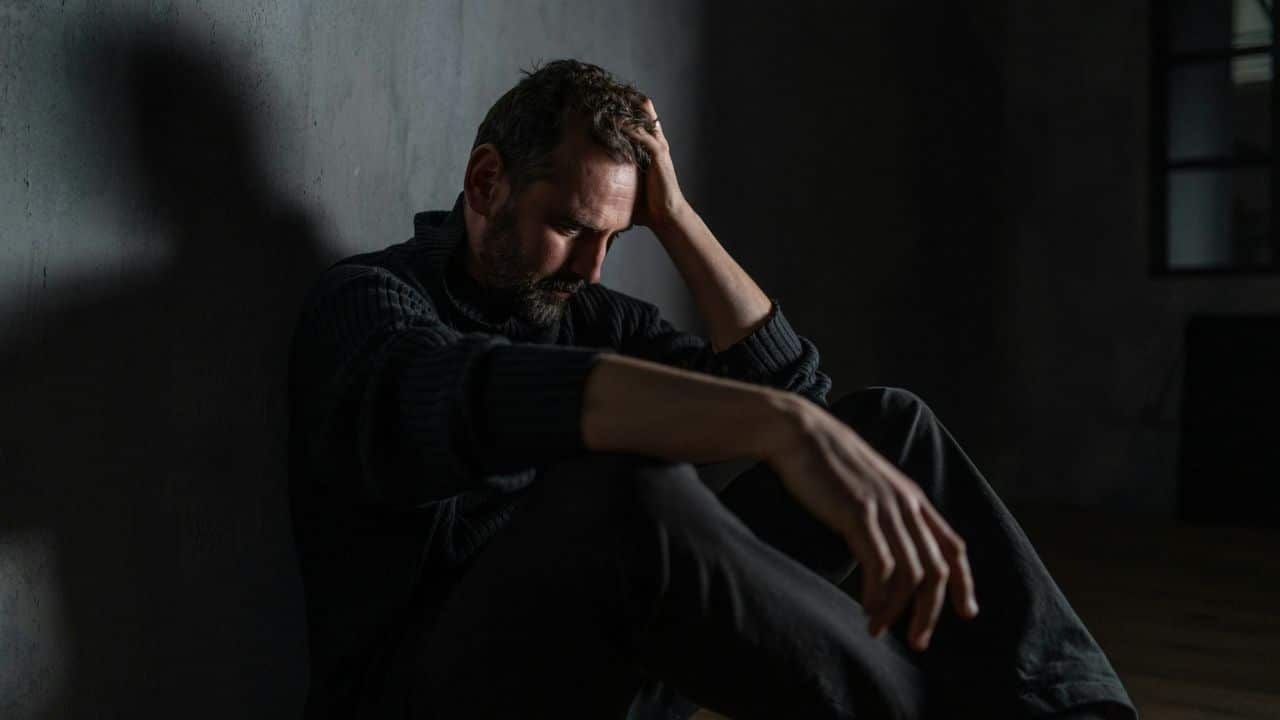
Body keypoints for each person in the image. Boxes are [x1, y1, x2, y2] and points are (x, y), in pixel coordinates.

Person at [286, 59, 1138, 720]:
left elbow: (798, 391)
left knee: (886, 427)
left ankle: (1079, 711)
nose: (591, 267)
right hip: (433, 697)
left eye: (616, 237)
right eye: (572, 228)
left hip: (612, 681)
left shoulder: (585, 311)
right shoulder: (368, 302)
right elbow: (473, 394)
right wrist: (771, 427)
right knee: (620, 492)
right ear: (485, 183)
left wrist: (677, 219)